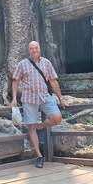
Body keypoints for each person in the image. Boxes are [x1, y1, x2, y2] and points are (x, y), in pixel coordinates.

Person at [12, 40, 65, 168]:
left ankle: (40, 127)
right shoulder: (22, 64)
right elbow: (15, 80)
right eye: (31, 48)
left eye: (36, 48)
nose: (34, 50)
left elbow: (53, 81)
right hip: (29, 98)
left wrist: (60, 98)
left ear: (39, 48)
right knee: (31, 127)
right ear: (28, 50)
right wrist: (14, 98)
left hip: (45, 96)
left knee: (57, 118)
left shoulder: (46, 63)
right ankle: (39, 156)